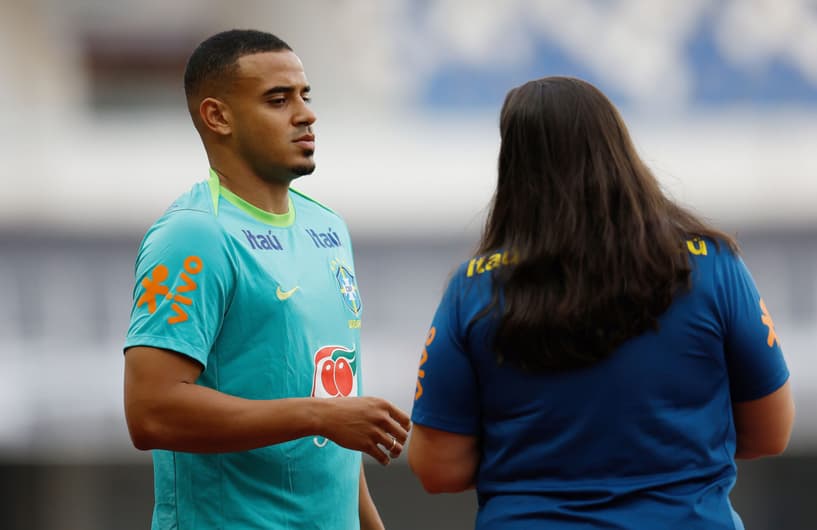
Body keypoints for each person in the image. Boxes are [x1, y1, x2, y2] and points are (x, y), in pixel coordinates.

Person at [407, 76, 794, 529]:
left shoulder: (473, 289)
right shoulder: (714, 266)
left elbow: (439, 468)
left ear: (515, 169)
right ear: (618, 149)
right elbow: (771, 431)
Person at [123, 29, 410, 530]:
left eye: (305, 95)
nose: (305, 114)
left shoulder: (328, 228)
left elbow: (334, 416)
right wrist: (318, 416)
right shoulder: (194, 235)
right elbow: (151, 411)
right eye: (278, 100)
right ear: (218, 117)